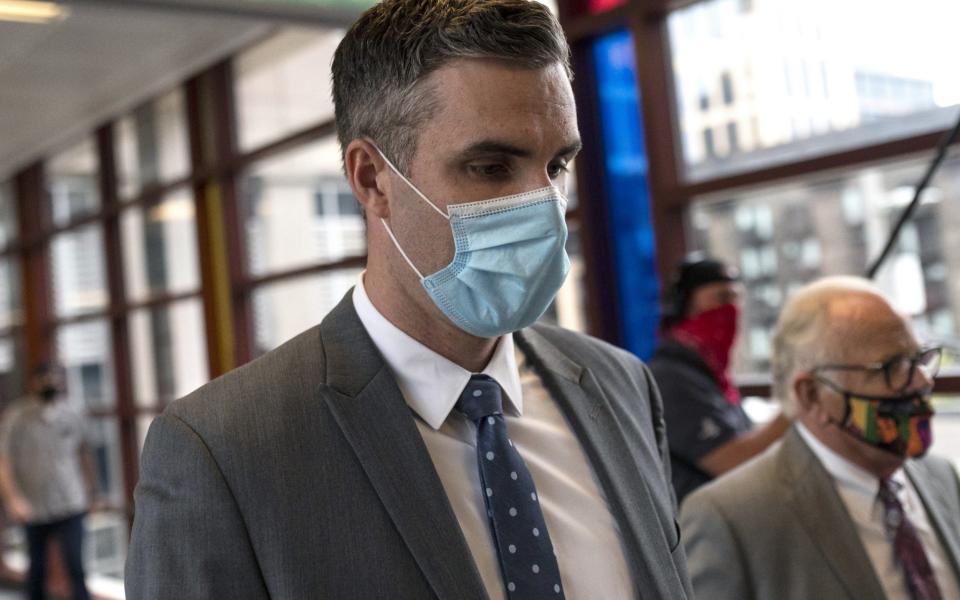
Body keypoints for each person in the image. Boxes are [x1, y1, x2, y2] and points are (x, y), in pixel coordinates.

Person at [125, 1, 693, 598]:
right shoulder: (224, 450)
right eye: (491, 166)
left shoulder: (621, 386)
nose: (544, 204)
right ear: (372, 178)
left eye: (557, 165)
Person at [680, 276, 960, 600]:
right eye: (891, 366)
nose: (921, 381)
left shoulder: (941, 478)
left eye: (918, 359)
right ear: (812, 395)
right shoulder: (728, 517)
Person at [648, 257, 789, 502]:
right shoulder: (671, 380)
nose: (733, 311)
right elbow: (734, 462)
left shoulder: (706, 376)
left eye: (737, 299)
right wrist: (797, 408)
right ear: (684, 308)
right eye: (723, 299)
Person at [0, 363, 95, 600]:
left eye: (55, 378)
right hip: (33, 506)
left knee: (76, 565)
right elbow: (4, 462)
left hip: (70, 503)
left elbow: (84, 454)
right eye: (45, 378)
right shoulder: (16, 418)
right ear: (34, 383)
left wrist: (92, 492)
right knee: (37, 568)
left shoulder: (73, 415)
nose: (51, 383)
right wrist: (13, 500)